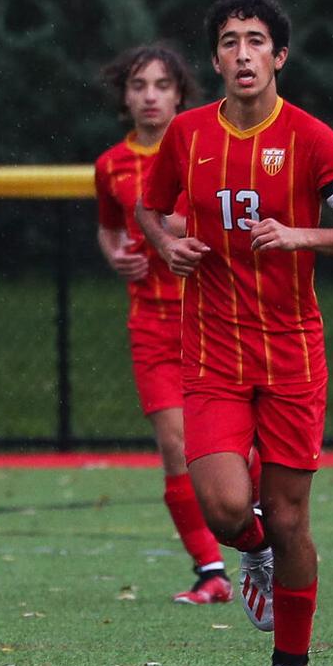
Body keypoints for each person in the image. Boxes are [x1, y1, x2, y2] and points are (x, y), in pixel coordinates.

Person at [138, 0, 333, 666]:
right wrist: (167, 243)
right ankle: (249, 554)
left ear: (279, 56)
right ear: (214, 59)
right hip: (214, 349)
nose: (242, 54)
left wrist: (301, 234)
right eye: (228, 41)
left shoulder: (311, 138)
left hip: (291, 355)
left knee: (288, 517)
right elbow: (148, 207)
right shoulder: (186, 135)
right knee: (225, 508)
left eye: (255, 41)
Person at [95, 44, 248, 607]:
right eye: (139, 86)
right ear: (126, 96)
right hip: (154, 325)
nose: (150, 95)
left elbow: (220, 217)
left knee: (236, 449)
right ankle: (211, 569)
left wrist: (168, 225)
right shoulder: (111, 165)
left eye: (161, 85)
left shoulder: (203, 146)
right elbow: (110, 228)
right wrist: (117, 255)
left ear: (181, 92)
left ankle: (258, 541)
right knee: (175, 445)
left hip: (214, 316)